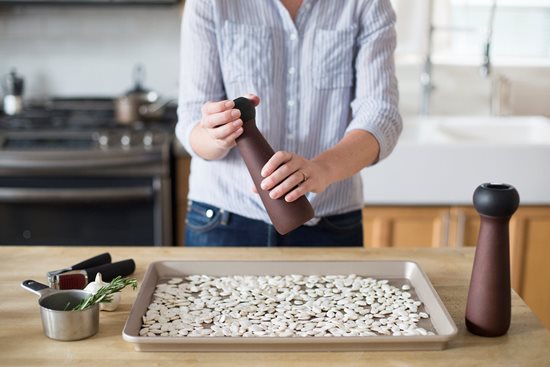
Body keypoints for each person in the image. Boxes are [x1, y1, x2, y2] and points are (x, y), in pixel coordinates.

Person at [176, 0, 402, 247]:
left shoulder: (367, 4)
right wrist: (215, 135)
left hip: (329, 222)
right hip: (223, 221)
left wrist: (321, 169)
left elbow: (381, 115)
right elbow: (191, 122)